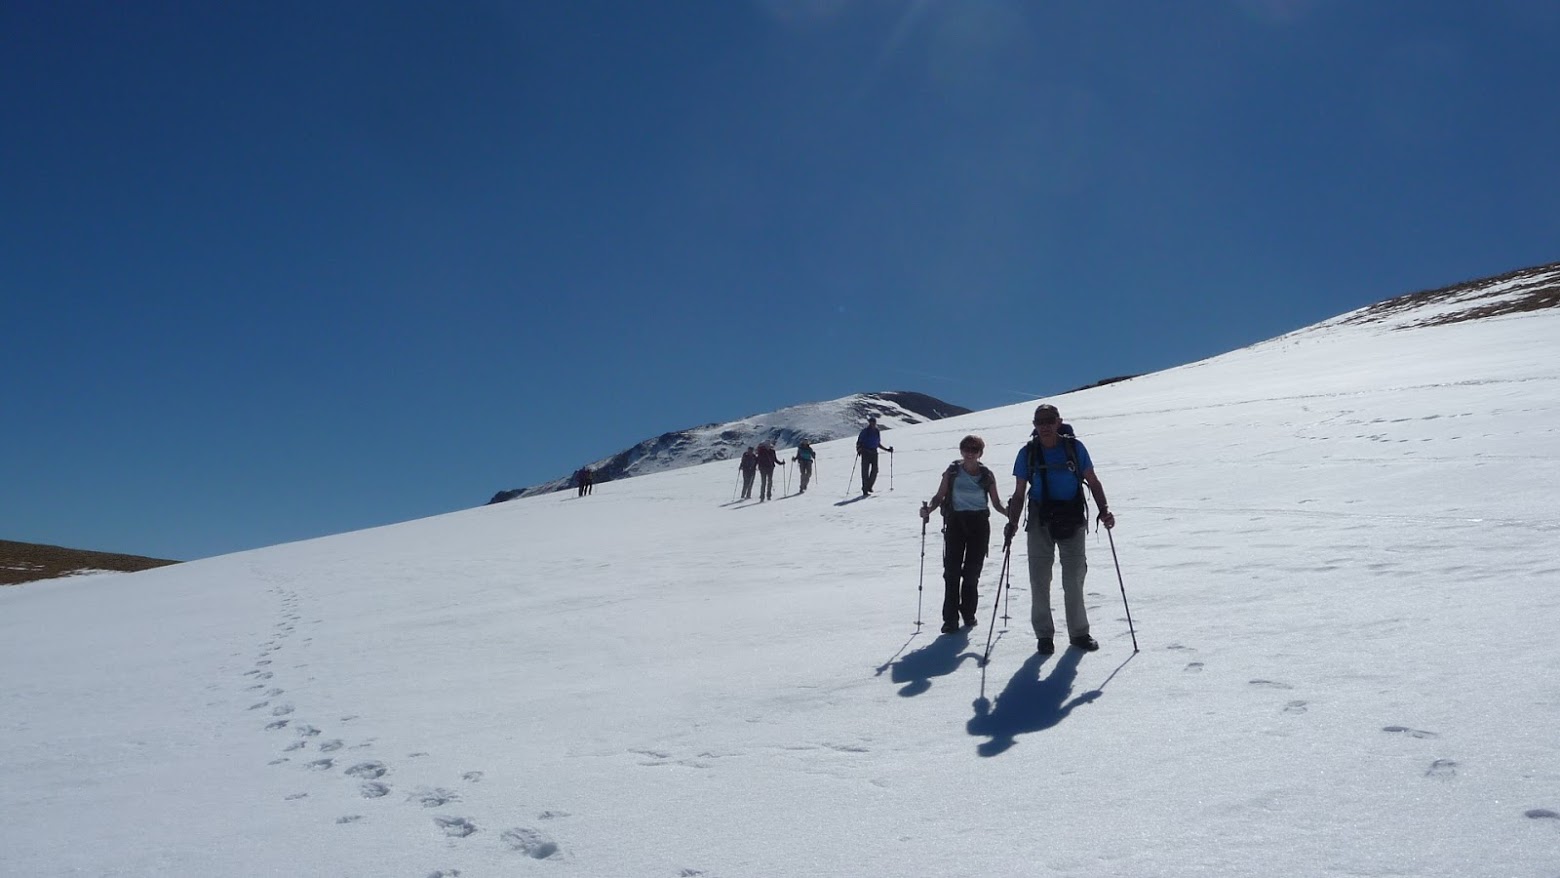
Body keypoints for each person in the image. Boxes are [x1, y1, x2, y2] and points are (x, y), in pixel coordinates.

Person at [1006, 404, 1115, 654]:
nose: (1044, 425)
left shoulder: (1074, 448)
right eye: (1039, 421)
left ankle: (1079, 633)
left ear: (1058, 422)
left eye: (1049, 420)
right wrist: (1012, 522)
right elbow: (1019, 492)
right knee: (1039, 578)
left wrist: (1104, 509)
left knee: (1074, 577)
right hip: (1039, 519)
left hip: (1072, 516)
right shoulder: (1027, 453)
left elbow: (1093, 480)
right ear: (1034, 425)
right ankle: (1044, 635)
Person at [920, 435, 1014, 634]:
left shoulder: (986, 475)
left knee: (972, 573)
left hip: (979, 526)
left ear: (980, 453)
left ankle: (968, 612)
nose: (970, 453)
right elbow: (940, 496)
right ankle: (950, 619)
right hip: (955, 523)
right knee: (952, 573)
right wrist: (929, 509)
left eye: (974, 449)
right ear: (961, 450)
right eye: (966, 449)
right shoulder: (952, 472)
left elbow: (996, 503)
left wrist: (1009, 513)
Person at [855, 416, 895, 496]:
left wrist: (887, 449)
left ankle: (868, 486)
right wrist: (859, 450)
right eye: (871, 422)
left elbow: (877, 444)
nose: (872, 424)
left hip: (874, 452)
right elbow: (859, 442)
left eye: (873, 422)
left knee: (875, 470)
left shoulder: (877, 431)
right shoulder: (865, 431)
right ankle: (865, 489)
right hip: (866, 452)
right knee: (865, 472)